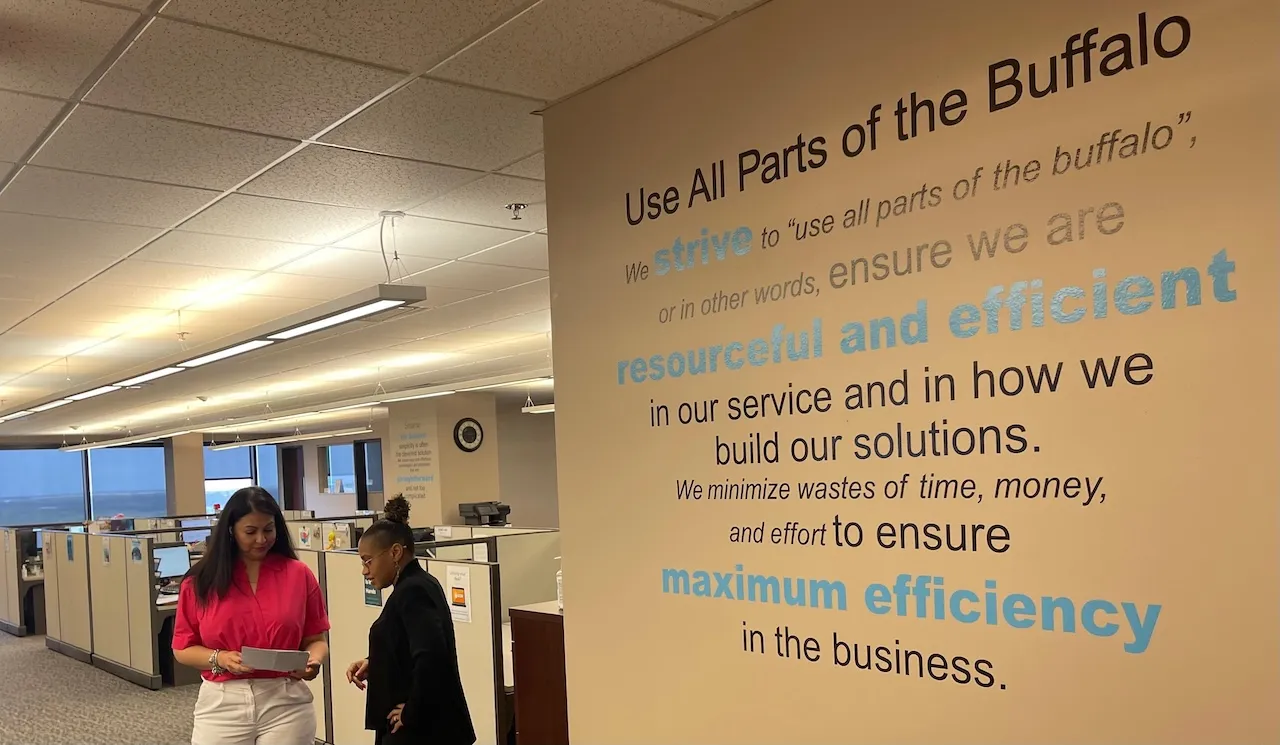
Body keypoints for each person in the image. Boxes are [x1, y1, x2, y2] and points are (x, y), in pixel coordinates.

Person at [172, 486, 330, 745]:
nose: (261, 539)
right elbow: (183, 648)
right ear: (231, 531)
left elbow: (316, 638)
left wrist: (314, 661)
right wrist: (220, 658)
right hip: (223, 701)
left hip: (285, 700)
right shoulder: (200, 581)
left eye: (268, 529)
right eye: (250, 532)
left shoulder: (299, 574)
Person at [346, 496, 475, 745]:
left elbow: (431, 656)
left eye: (367, 560)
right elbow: (409, 644)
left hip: (423, 732)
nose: (364, 570)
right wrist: (375, 661)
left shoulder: (413, 591)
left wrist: (411, 712)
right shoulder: (415, 585)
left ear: (395, 552)